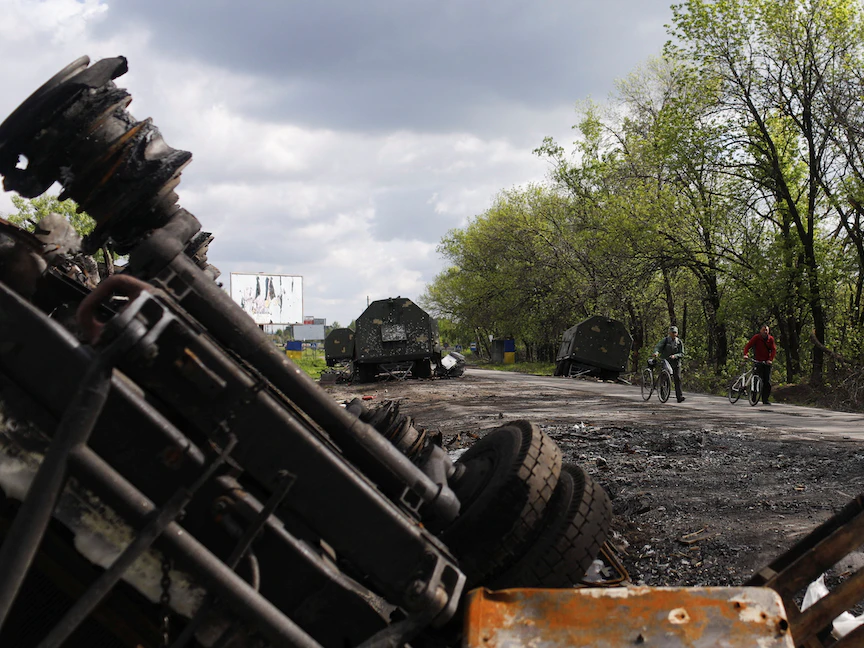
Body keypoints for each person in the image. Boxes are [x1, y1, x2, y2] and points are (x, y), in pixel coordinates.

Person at [743, 324, 777, 405]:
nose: (765, 332)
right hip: (757, 361)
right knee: (755, 379)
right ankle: (753, 397)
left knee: (767, 382)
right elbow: (748, 346)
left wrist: (770, 360)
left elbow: (773, 350)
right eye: (763, 330)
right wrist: (746, 354)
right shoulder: (756, 338)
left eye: (766, 330)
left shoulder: (770, 339)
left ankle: (765, 399)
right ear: (760, 331)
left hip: (766, 362)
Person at [653, 325, 686, 402]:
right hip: (666, 362)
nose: (673, 334)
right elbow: (658, 347)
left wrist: (675, 356)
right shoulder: (665, 340)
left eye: (675, 332)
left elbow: (682, 353)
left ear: (677, 333)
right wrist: (656, 353)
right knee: (664, 378)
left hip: (676, 363)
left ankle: (679, 397)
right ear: (669, 333)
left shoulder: (679, 342)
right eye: (672, 332)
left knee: (677, 379)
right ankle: (663, 395)